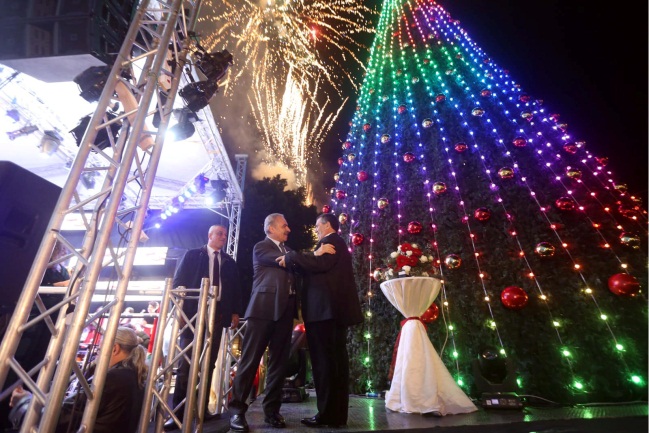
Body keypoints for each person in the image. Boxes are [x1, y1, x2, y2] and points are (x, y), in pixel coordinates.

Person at [278, 213, 363, 428]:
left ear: (326, 225)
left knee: (324, 365)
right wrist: (314, 253)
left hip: (324, 313)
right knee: (333, 365)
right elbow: (317, 261)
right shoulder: (333, 243)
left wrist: (291, 257)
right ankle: (334, 415)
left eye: (317, 225)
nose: (315, 229)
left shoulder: (330, 241)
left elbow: (318, 265)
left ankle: (327, 415)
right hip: (330, 314)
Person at [166, 224, 243, 430]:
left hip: (218, 315)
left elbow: (235, 289)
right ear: (209, 235)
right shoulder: (192, 255)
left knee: (209, 364)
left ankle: (201, 410)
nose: (223, 237)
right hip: (193, 314)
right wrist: (179, 311)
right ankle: (178, 413)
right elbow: (179, 282)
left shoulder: (229, 262)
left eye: (225, 235)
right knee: (186, 365)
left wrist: (235, 312)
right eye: (219, 234)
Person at [227, 214, 297, 432]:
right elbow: (287, 261)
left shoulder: (289, 251)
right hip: (262, 310)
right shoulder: (262, 247)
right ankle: (237, 411)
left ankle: (272, 412)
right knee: (249, 360)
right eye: (284, 225)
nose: (288, 229)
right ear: (270, 229)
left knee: (279, 364)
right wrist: (314, 254)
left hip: (285, 312)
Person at [8, 327, 148, 433]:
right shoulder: (134, 376)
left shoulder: (111, 378)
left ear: (114, 349)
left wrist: (23, 402)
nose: (96, 355)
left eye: (99, 350)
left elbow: (62, 419)